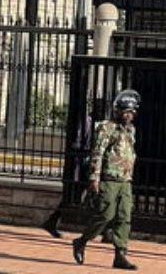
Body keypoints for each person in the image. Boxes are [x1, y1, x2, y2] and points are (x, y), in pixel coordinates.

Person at [72, 89, 141, 271]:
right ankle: (82, 241)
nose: (129, 116)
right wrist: (94, 178)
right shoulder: (107, 128)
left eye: (132, 112)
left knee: (124, 218)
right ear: (118, 111)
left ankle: (120, 254)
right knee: (105, 215)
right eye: (126, 112)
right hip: (109, 179)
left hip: (125, 181)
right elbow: (98, 153)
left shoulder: (131, 130)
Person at [42, 98, 110, 238]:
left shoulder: (103, 124)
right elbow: (79, 142)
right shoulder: (88, 121)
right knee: (78, 196)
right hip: (85, 164)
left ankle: (105, 231)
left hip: (93, 164)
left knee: (95, 197)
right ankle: (105, 231)